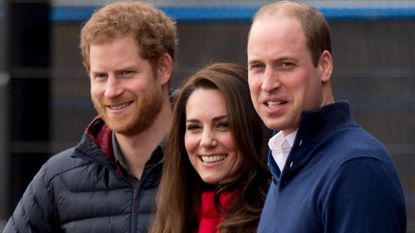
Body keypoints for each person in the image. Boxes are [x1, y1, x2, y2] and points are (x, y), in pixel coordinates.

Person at [4, 2, 176, 233]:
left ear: (163, 69)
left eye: (126, 73)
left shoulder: (207, 164)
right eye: (101, 76)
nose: (111, 91)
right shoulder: (58, 179)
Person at [246, 1, 407, 233]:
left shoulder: (356, 168)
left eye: (286, 65)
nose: (268, 84)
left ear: (324, 66)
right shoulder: (286, 162)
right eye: (258, 67)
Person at [149, 63, 270, 233]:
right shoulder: (175, 213)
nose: (206, 141)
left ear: (252, 129)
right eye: (194, 127)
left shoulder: (274, 216)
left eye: (223, 125)